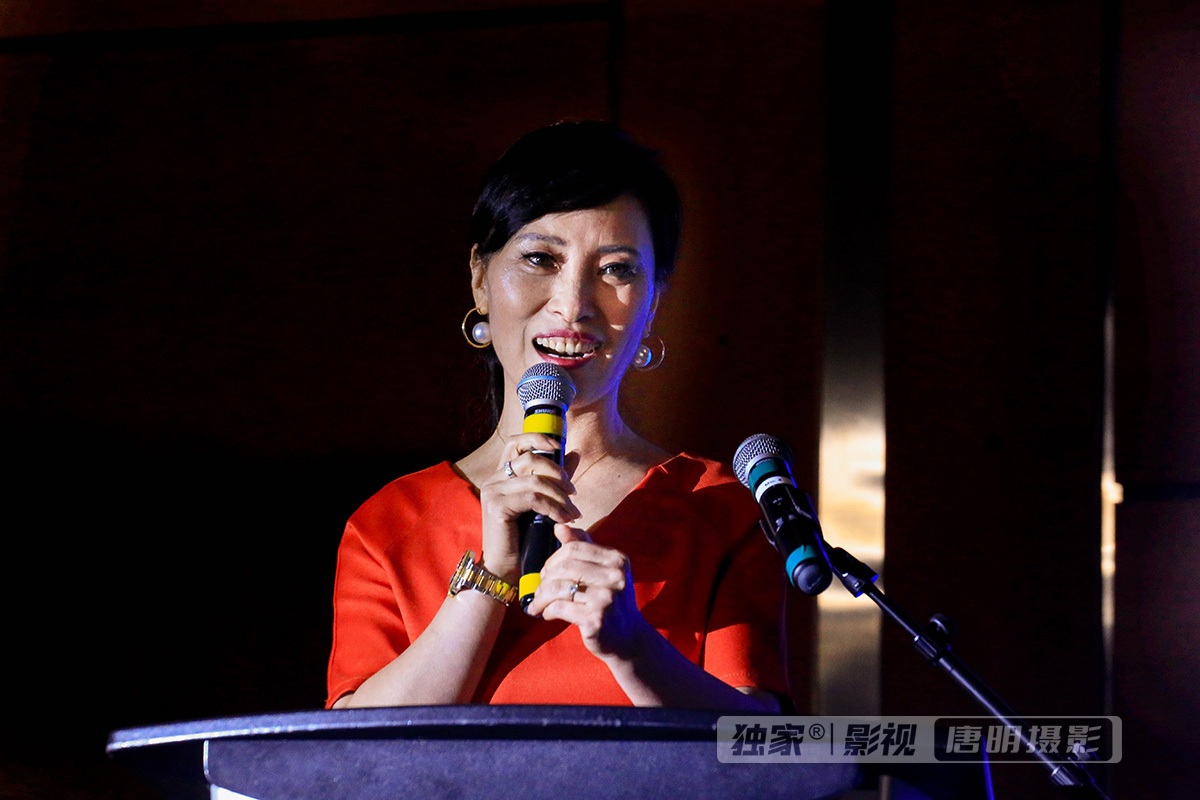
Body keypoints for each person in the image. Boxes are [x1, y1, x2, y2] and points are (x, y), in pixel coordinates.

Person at [326, 121, 787, 711]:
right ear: (480, 279)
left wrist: (634, 648)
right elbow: (350, 747)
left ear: (653, 301)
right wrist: (491, 577)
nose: (572, 305)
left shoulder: (720, 509)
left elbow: (759, 746)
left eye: (616, 269)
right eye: (541, 258)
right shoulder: (391, 522)